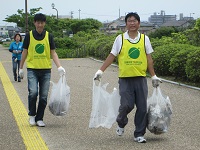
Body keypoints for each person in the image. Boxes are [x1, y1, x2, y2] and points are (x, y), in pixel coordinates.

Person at [94, 12, 161, 143]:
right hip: (125, 78)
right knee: (126, 105)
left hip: (140, 78)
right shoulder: (120, 39)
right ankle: (121, 122)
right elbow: (112, 56)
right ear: (126, 24)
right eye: (129, 21)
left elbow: (149, 59)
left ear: (139, 23)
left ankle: (139, 134)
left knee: (142, 108)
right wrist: (100, 71)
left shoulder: (144, 39)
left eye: (134, 21)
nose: (132, 23)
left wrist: (153, 76)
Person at [19, 13, 66, 127]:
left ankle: (39, 118)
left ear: (44, 23)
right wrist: (20, 68)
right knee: (33, 93)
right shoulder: (29, 35)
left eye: (42, 22)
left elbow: (53, 53)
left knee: (44, 96)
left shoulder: (49, 36)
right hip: (32, 69)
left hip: (45, 70)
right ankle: (32, 115)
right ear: (34, 23)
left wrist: (59, 66)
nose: (40, 25)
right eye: (38, 22)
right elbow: (24, 52)